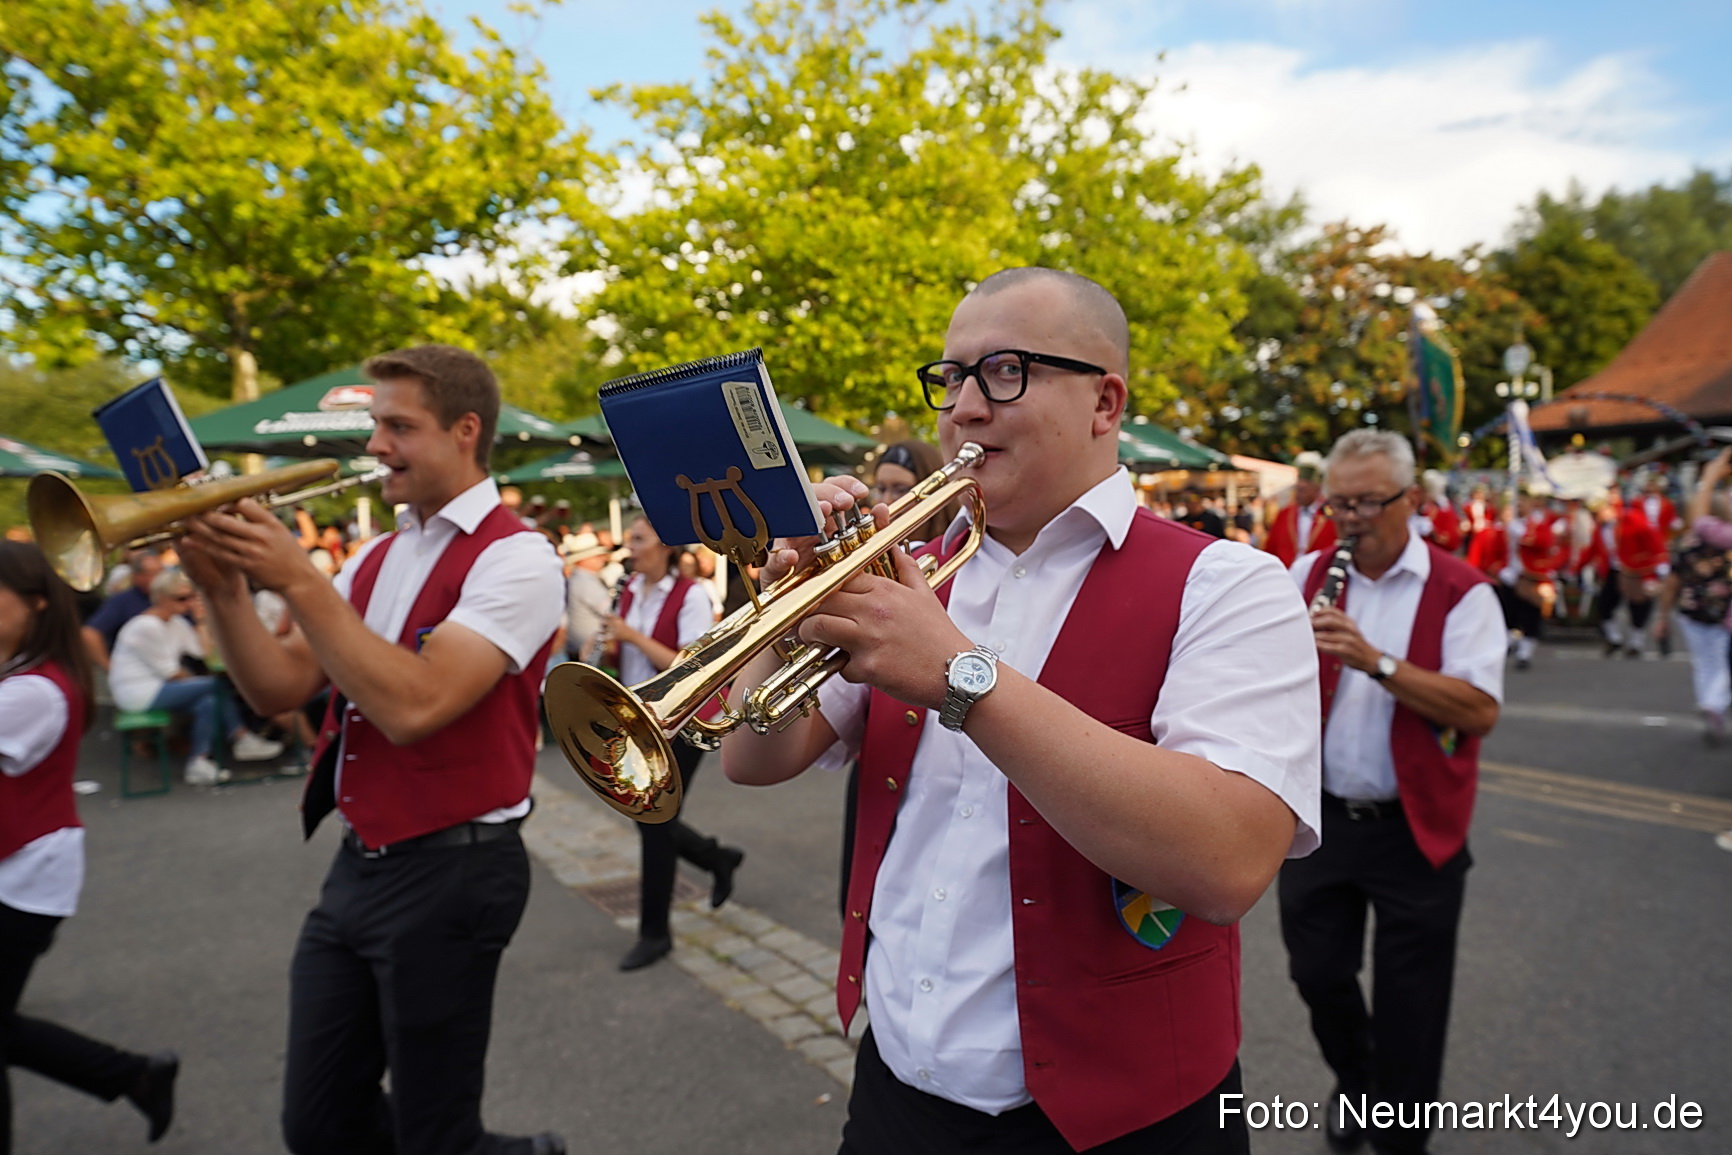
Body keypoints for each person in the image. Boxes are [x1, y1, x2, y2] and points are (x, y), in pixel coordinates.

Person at [722, 267, 1321, 1154]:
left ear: (1104, 402)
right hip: (897, 1087)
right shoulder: (908, 575)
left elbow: (1229, 861)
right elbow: (753, 757)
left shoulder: (1230, 584)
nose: (963, 407)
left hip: (1126, 1119)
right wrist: (783, 603)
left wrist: (963, 677)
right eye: (950, 377)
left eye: (1005, 371)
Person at [177, 344, 566, 1155]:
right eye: (374, 425)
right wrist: (220, 589)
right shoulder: (376, 554)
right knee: (316, 1122)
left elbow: (415, 706)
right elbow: (279, 687)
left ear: (466, 431)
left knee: (433, 1134)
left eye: (398, 426)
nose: (375, 446)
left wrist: (302, 581)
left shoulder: (518, 555)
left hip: (456, 870)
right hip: (361, 861)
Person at [1283, 430, 1505, 1155]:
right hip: (1321, 819)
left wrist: (1375, 660)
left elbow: (1479, 709)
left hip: (1416, 826)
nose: (1347, 517)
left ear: (1410, 500)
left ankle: (1400, 1135)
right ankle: (1358, 1079)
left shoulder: (1462, 590)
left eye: (1366, 502)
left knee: (1413, 1003)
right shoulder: (1306, 571)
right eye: (1336, 501)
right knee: (1318, 972)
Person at [0, 541, 179, 1150]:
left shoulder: (31, 691)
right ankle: (134, 1074)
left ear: (36, 605)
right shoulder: (23, 674)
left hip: (22, 878)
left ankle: (133, 1073)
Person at [605, 515, 744, 971]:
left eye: (639, 539)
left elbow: (689, 667)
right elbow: (626, 659)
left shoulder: (692, 596)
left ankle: (654, 933)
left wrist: (631, 636)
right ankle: (717, 857)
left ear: (665, 546)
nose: (631, 547)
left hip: (681, 723)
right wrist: (607, 646)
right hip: (636, 721)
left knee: (652, 818)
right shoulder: (627, 591)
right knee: (651, 818)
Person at [108, 568, 283, 784]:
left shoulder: (175, 623)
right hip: (138, 694)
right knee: (216, 686)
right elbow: (173, 674)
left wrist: (201, 621)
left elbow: (203, 653)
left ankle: (199, 761)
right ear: (161, 598)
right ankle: (241, 736)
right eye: (182, 598)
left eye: (191, 597)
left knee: (209, 702)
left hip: (157, 688)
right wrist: (200, 682)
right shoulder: (146, 627)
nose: (188, 603)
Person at [1654, 518, 1732, 743]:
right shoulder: (1726, 543)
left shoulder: (1685, 545)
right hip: (1721, 613)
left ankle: (1709, 702)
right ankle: (1713, 704)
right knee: (1719, 662)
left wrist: (1663, 616)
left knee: (1704, 662)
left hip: (1691, 612)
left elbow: (1672, 582)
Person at [80, 550, 163, 671]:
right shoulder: (123, 601)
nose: (161, 577)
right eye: (153, 573)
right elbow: (90, 633)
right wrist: (110, 668)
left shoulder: (169, 596)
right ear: (137, 577)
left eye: (162, 571)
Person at [1264, 451, 1336, 567]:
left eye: (1303, 490)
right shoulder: (1284, 514)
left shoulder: (1331, 515)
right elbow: (1270, 550)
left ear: (1317, 489)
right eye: (1297, 489)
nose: (1298, 494)